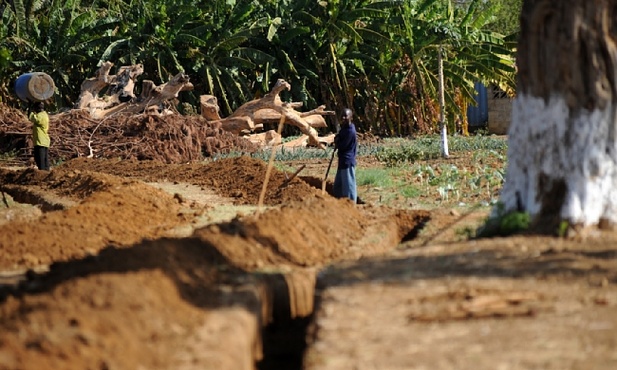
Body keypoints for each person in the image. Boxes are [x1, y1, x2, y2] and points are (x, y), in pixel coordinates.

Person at [333, 108, 357, 202]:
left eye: (345, 116)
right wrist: (337, 137)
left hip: (347, 161)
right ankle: (339, 204)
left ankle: (351, 205)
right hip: (342, 160)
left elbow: (343, 145)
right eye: (342, 116)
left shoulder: (350, 131)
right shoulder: (344, 127)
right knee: (338, 187)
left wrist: (337, 142)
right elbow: (340, 137)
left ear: (351, 117)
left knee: (349, 187)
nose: (343, 118)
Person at [29, 101, 50, 170]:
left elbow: (32, 118)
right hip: (41, 141)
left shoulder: (41, 116)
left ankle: (43, 173)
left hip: (41, 141)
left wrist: (30, 109)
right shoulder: (43, 115)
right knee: (43, 159)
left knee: (40, 159)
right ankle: (45, 173)